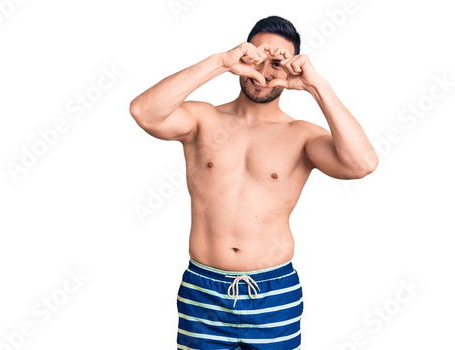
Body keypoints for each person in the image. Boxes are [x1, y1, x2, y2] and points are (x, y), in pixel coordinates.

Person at [130, 15, 378, 350]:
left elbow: (362, 164)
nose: (264, 71)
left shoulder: (301, 135)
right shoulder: (203, 119)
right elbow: (144, 112)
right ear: (244, 55)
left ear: (292, 68)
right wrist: (220, 62)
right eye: (258, 57)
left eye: (277, 62)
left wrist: (317, 85)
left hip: (274, 292)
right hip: (204, 292)